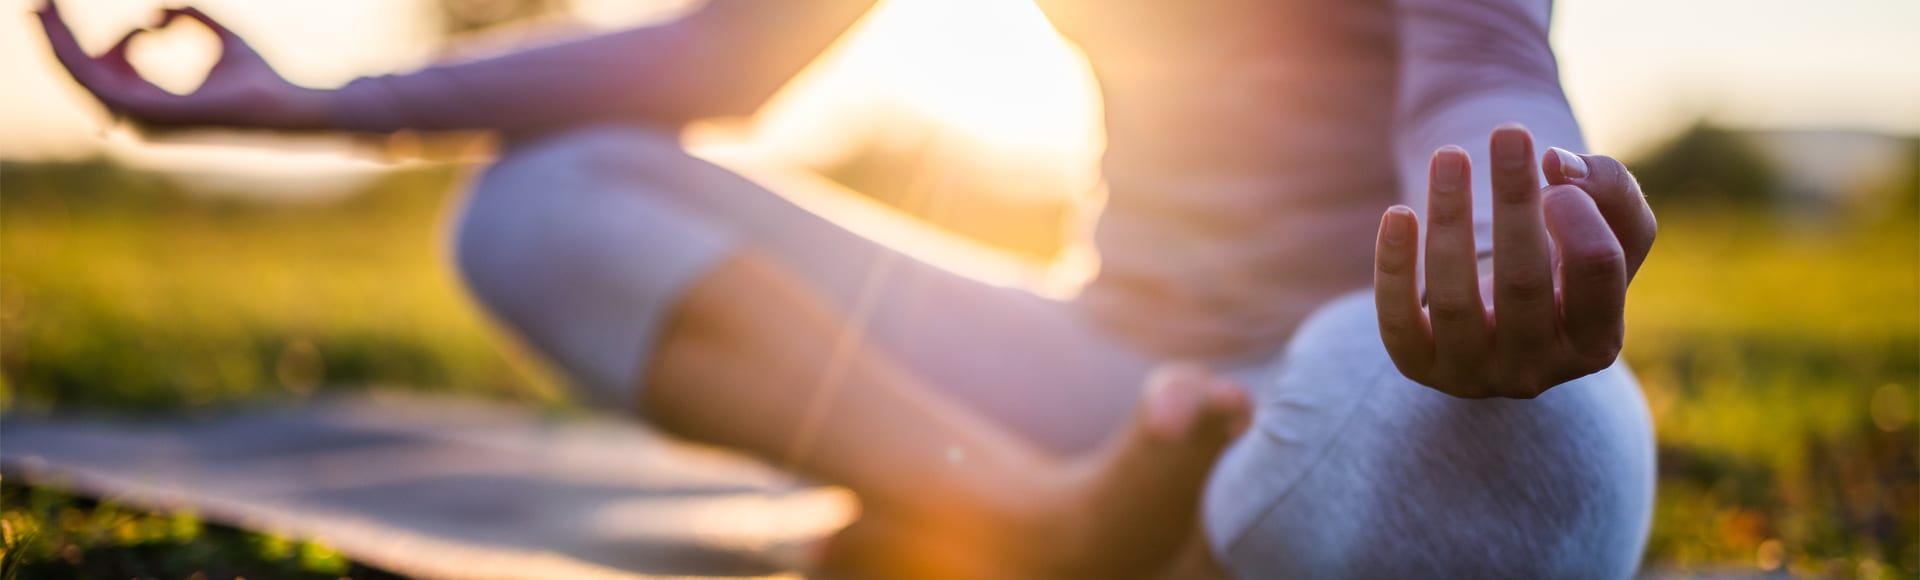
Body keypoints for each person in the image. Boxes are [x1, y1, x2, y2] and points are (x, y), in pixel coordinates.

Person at [37, 0, 1659, 576]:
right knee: (542, 200)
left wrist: (1529, 212)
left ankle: (1191, 531)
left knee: (1543, 459)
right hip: (1102, 377)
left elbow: (1478, 67)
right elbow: (723, 56)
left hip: (1370, 368)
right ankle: (1041, 516)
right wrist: (308, 108)